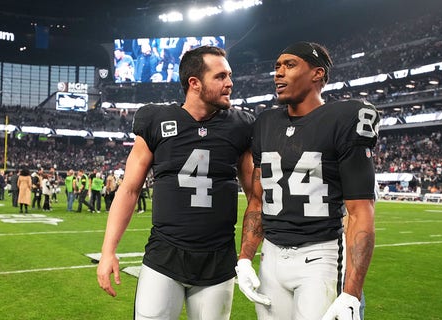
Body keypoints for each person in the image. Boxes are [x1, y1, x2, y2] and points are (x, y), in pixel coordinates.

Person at [97, 45, 255, 320]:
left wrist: (246, 256)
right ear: (194, 83)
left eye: (229, 75)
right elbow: (130, 189)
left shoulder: (240, 125)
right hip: (164, 258)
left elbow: (256, 196)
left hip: (218, 262)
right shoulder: (156, 120)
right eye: (220, 76)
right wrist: (108, 251)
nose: (230, 83)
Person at [234, 42, 379, 320]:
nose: (278, 73)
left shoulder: (344, 118)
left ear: (317, 74)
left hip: (320, 256)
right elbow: (257, 199)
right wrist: (244, 258)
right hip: (271, 256)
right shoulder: (265, 122)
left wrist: (350, 293)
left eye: (289, 65)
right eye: (277, 66)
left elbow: (361, 211)